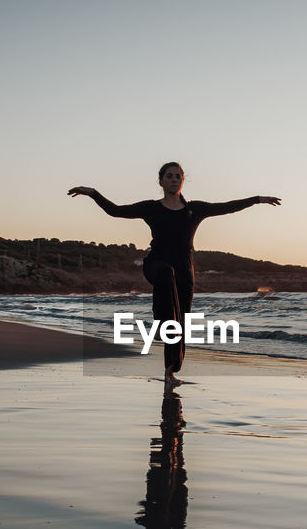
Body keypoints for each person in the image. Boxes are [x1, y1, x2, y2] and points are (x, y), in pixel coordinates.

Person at [69, 162, 280, 387]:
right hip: (156, 266)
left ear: (182, 180)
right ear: (160, 181)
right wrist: (93, 194)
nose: (173, 179)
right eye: (169, 176)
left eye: (178, 176)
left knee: (179, 323)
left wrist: (257, 199)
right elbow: (116, 211)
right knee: (166, 277)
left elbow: (227, 206)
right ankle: (159, 324)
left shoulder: (195, 209)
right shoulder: (151, 208)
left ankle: (170, 372)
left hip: (184, 272)